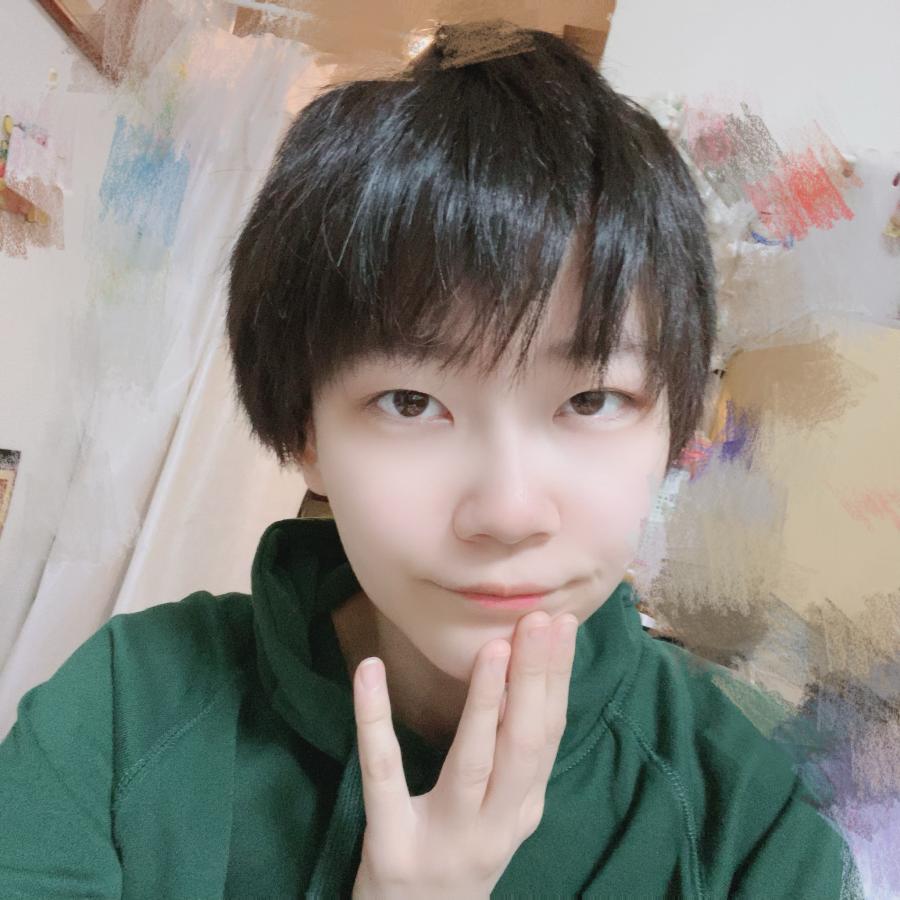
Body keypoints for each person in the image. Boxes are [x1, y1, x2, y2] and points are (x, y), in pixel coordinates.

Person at [0, 22, 860, 898]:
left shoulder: (756, 822)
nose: (509, 511)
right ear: (306, 434)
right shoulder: (123, 714)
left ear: (675, 425)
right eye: (411, 402)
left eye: (591, 400)